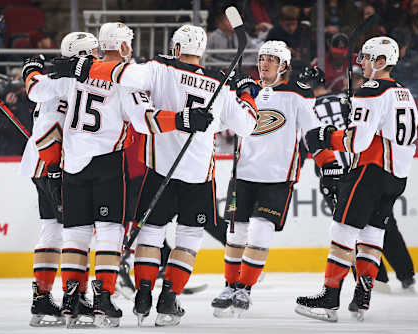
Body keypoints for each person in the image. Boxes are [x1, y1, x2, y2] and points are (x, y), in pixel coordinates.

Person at [50, 23, 259, 327]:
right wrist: (246, 92)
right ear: (200, 52)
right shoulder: (218, 84)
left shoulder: (157, 68)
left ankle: (143, 294)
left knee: (150, 233)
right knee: (188, 238)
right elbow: (247, 126)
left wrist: (83, 66)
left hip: (157, 171)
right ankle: (169, 298)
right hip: (198, 175)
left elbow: (120, 73)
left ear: (175, 49)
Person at [23, 22, 214, 328]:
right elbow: (145, 121)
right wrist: (182, 118)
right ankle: (103, 300)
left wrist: (30, 70)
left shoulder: (75, 72)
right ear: (125, 47)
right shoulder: (124, 81)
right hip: (107, 165)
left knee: (76, 234)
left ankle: (72, 299)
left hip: (71, 164)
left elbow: (36, 91)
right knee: (110, 233)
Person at [211, 41, 341, 318]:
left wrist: (328, 164)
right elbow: (221, 123)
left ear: (284, 66)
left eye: (271, 59)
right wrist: (223, 93)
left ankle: (244, 287)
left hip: (278, 179)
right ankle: (229, 285)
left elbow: (313, 133)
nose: (264, 63)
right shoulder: (247, 93)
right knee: (235, 235)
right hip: (243, 175)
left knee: (259, 232)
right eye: (261, 58)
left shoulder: (297, 95)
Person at [296, 36, 418, 322]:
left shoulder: (370, 90)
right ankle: (363, 296)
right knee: (372, 234)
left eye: (365, 57)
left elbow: (357, 142)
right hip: (397, 176)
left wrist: (327, 136)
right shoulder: (405, 92)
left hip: (369, 171)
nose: (359, 62)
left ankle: (329, 297)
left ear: (380, 62)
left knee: (343, 231)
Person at [20, 31, 99, 327]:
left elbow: (33, 88)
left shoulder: (55, 79)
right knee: (76, 231)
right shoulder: (71, 81)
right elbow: (52, 126)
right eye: (92, 52)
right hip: (56, 164)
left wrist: (31, 70)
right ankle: (73, 294)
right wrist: (55, 166)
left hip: (40, 163)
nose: (96, 57)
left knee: (51, 229)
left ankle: (42, 297)